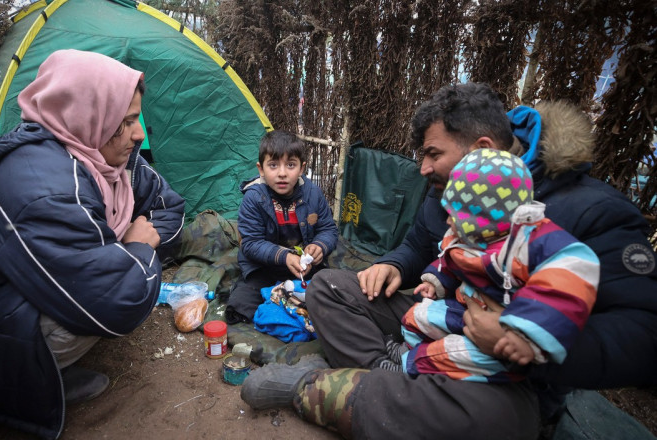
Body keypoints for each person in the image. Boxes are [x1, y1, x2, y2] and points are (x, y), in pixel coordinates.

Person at [241, 82, 657, 439]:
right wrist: (393, 266)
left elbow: (643, 333)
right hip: (440, 318)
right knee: (330, 286)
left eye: (431, 154)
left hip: (508, 374)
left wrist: (522, 341)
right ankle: (389, 376)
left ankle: (318, 389)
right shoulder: (447, 189)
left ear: (481, 149)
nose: (422, 168)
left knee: (497, 422)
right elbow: (418, 245)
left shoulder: (592, 211)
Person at [0, 49, 184, 439]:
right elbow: (115, 302)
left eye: (135, 119)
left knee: (116, 276)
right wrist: (138, 249)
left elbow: (168, 205)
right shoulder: (45, 184)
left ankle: (40, 364)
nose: (139, 133)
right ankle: (21, 383)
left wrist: (131, 249)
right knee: (114, 294)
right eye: (125, 122)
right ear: (88, 116)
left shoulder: (102, 158)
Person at [393, 148, 599, 383]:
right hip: (465, 311)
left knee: (453, 353)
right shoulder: (472, 235)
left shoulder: (531, 243)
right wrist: (436, 280)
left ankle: (409, 367)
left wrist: (527, 334)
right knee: (416, 317)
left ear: (485, 217)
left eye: (457, 216)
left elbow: (568, 277)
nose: (449, 221)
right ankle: (406, 353)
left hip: (506, 335)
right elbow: (451, 257)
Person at [225, 130, 338, 324]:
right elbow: (251, 243)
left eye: (291, 165)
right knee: (239, 306)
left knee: (333, 292)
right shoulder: (253, 198)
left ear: (302, 169)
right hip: (264, 268)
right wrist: (284, 257)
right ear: (261, 169)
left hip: (304, 267)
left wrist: (320, 246)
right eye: (273, 165)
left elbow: (328, 229)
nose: (282, 173)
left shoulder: (313, 194)